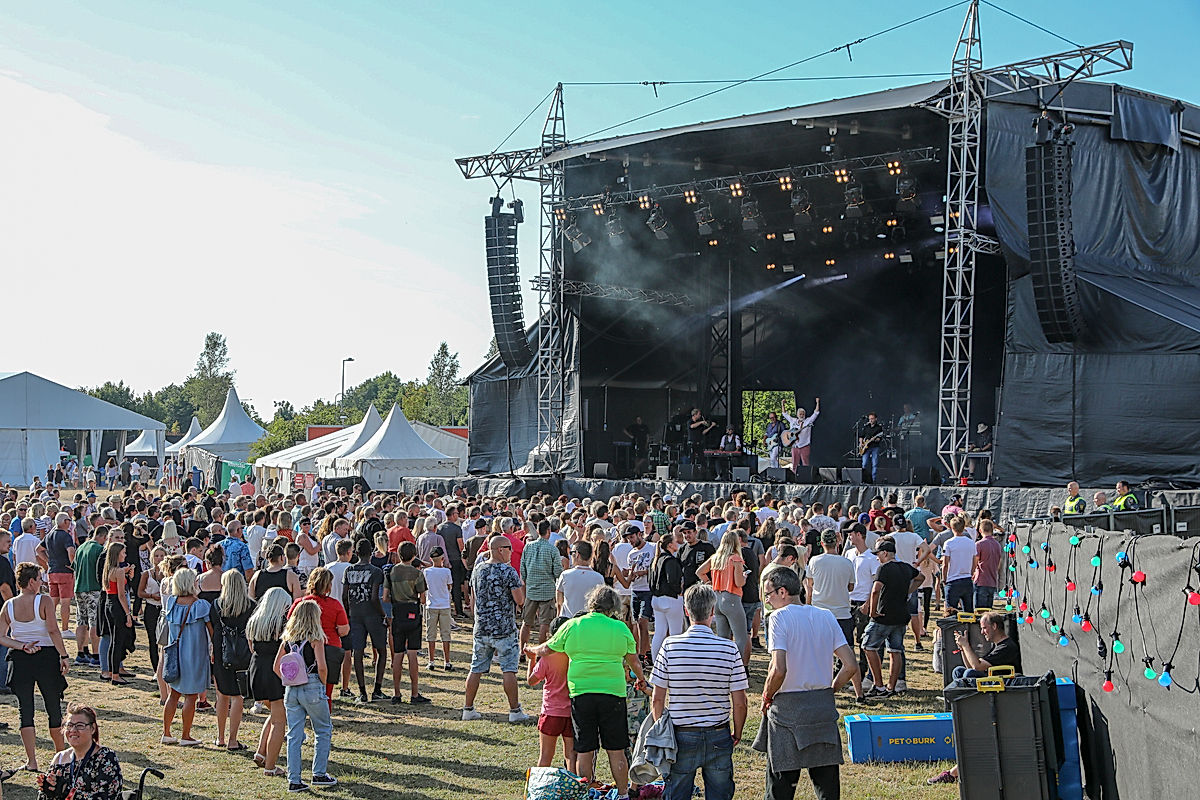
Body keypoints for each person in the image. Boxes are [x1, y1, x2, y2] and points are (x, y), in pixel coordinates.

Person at [755, 566, 857, 800]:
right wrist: (831, 690)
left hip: (788, 710)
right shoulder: (826, 615)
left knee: (780, 785)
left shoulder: (778, 617)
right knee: (827, 786)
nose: (767, 601)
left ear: (782, 592)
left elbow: (779, 669)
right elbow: (850, 665)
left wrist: (766, 696)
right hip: (821, 708)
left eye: (768, 595)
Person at [532, 585, 640, 800]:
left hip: (582, 693)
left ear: (591, 603)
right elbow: (633, 660)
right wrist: (642, 679)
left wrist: (531, 649)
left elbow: (547, 648)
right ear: (614, 607)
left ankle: (586, 792)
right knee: (616, 749)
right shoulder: (620, 628)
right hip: (613, 693)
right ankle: (623, 793)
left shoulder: (573, 625)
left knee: (585, 748)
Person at [649, 584, 748, 800]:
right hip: (718, 731)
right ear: (713, 611)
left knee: (677, 792)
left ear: (686, 610)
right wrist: (738, 732)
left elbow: (657, 699)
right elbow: (740, 702)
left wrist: (662, 730)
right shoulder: (729, 648)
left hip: (681, 732)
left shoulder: (669, 646)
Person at [927, 612, 1024, 786]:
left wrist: (966, 646)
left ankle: (953, 773)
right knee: (960, 672)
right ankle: (957, 706)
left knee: (969, 674)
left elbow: (977, 667)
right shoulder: (997, 646)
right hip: (989, 691)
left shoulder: (1006, 646)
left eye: (984, 628)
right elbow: (971, 665)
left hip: (999, 696)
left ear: (994, 626)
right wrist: (964, 648)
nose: (983, 632)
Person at [0, 562, 71, 772]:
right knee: (53, 707)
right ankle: (61, 759)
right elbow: (53, 631)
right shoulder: (44, 601)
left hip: (20, 658)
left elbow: (2, 637)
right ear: (31, 582)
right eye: (40, 579)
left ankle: (32, 761)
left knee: (26, 711)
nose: (42, 583)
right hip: (46, 656)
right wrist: (64, 655)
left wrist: (21, 645)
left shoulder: (9, 605)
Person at [462, 535, 530, 723]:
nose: (511, 552)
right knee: (509, 669)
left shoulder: (478, 570)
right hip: (504, 628)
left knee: (476, 668)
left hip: (482, 626)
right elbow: (519, 600)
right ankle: (514, 711)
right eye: (509, 548)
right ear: (500, 549)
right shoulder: (508, 572)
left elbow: (474, 597)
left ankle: (468, 708)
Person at [274, 599, 337, 792]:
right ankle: (318, 773)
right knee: (323, 729)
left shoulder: (288, 639)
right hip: (312, 685)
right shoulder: (315, 638)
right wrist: (322, 684)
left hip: (291, 689)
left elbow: (276, 667)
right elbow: (322, 667)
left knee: (294, 735)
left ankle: (294, 779)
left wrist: (289, 679)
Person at [804, 530, 864, 701]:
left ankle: (818, 687)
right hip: (842, 613)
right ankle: (859, 693)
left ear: (822, 543)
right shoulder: (846, 562)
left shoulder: (814, 561)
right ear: (837, 543)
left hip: (820, 613)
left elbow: (810, 585)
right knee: (849, 655)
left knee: (818, 654)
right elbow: (851, 587)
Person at [862, 539, 921, 698]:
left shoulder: (884, 568)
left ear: (885, 553)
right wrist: (909, 590)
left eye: (878, 554)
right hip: (901, 616)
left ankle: (878, 685)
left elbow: (875, 591)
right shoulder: (906, 567)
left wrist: (872, 611)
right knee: (895, 651)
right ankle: (891, 687)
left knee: (868, 646)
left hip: (883, 616)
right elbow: (920, 577)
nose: (877, 558)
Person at [161, 567, 212, 746]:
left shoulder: (171, 603)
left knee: (173, 694)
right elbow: (211, 632)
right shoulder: (201, 605)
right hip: (194, 655)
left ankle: (166, 732)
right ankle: (185, 735)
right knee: (191, 696)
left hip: (175, 655)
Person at [247, 587, 291, 777]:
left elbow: (251, 647)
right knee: (280, 721)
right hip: (275, 670)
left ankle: (261, 752)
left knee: (274, 714)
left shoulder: (255, 621)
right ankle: (271, 767)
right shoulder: (282, 624)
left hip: (256, 668)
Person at [34, 704, 122, 800]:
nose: (73, 730)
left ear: (92, 728)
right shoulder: (59, 759)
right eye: (69, 725)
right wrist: (47, 791)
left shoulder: (105, 757)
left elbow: (109, 797)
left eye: (80, 726)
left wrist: (67, 792)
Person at [291, 567, 350, 704]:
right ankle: (324, 719)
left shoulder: (300, 603)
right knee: (326, 691)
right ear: (328, 586)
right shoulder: (335, 605)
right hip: (329, 647)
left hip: (303, 649)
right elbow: (344, 630)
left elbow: (290, 625)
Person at [525, 616, 576, 774]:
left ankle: (539, 790)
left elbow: (531, 681)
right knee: (571, 757)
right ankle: (575, 788)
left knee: (545, 757)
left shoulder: (547, 658)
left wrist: (531, 660)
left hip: (551, 712)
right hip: (571, 712)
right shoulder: (574, 655)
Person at [212, 570, 255, 751]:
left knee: (222, 695)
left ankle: (220, 737)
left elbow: (213, 629)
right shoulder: (251, 606)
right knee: (238, 697)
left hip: (222, 653)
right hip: (244, 654)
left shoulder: (217, 605)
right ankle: (233, 739)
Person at [342, 539, 388, 703]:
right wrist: (382, 614)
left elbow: (344, 596)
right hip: (372, 615)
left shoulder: (349, 570)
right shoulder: (376, 571)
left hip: (355, 615)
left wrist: (348, 613)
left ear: (356, 553)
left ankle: (362, 692)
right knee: (382, 651)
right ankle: (377, 689)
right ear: (371, 553)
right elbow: (375, 597)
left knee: (358, 653)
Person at [695, 531, 749, 665]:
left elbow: (699, 572)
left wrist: (709, 583)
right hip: (731, 598)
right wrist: (744, 577)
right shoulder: (735, 558)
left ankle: (721, 665)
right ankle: (738, 667)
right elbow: (739, 582)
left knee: (722, 637)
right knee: (741, 637)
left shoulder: (715, 557)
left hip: (717, 598)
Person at [385, 541, 430, 704]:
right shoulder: (417, 574)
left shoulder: (391, 572)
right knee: (412, 653)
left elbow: (385, 597)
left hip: (397, 612)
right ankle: (414, 693)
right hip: (412, 611)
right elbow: (423, 599)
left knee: (397, 654)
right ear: (414, 555)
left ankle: (396, 693)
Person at [520, 519, 563, 652]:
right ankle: (540, 652)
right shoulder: (553, 549)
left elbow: (523, 569)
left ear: (538, 531)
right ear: (548, 531)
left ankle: (522, 649)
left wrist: (528, 581)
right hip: (547, 591)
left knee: (526, 623)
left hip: (532, 590)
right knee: (544, 623)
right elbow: (557, 572)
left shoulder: (528, 546)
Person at [99, 542, 134, 686]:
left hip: (108, 604)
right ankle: (115, 674)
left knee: (114, 640)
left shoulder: (109, 569)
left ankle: (112, 672)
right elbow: (121, 595)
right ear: (117, 554)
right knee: (117, 641)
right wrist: (128, 614)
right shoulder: (118, 571)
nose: (125, 555)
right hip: (117, 606)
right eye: (123, 553)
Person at [72, 525, 106, 666]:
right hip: (93, 588)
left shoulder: (81, 548)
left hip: (79, 587)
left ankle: (80, 653)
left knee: (81, 621)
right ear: (103, 537)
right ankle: (96, 655)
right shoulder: (99, 550)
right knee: (94, 622)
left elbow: (74, 566)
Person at [648, 528, 685, 663]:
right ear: (670, 545)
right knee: (676, 633)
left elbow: (650, 581)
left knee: (659, 632)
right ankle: (676, 662)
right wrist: (678, 590)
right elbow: (672, 580)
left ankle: (656, 661)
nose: (677, 543)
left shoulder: (656, 560)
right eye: (675, 541)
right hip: (671, 599)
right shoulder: (670, 560)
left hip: (657, 599)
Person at [41, 513, 76, 637]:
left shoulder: (49, 535)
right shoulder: (66, 536)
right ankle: (65, 629)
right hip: (65, 571)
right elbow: (71, 552)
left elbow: (38, 550)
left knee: (53, 601)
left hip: (53, 571)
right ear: (65, 522)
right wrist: (74, 566)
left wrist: (48, 561)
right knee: (65, 602)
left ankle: (46, 626)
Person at [422, 548, 454, 671]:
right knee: (446, 635)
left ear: (431, 559)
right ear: (442, 558)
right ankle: (447, 661)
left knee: (431, 635)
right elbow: (449, 586)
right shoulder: (446, 572)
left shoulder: (427, 571)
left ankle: (431, 661)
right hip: (444, 605)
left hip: (431, 605)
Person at [556, 541, 604, 620]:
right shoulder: (599, 578)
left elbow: (559, 600)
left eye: (571, 553)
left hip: (568, 621)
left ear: (577, 554)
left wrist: (558, 615)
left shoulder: (565, 575)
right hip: (589, 621)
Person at [941, 516, 977, 612]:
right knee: (969, 611)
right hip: (967, 579)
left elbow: (945, 564)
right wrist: (972, 573)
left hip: (953, 580)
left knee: (951, 611)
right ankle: (968, 627)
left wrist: (944, 579)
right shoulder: (971, 543)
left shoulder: (948, 543)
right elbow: (974, 561)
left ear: (952, 528)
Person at [782, 397, 820, 468]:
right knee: (794, 464)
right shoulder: (793, 421)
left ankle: (806, 478)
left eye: (803, 414)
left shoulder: (808, 421)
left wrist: (817, 403)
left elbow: (816, 413)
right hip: (795, 446)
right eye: (800, 414)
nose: (802, 416)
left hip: (804, 446)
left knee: (805, 464)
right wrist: (783, 404)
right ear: (797, 415)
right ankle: (794, 477)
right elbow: (785, 414)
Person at [972, 520, 1003, 610]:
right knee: (988, 611)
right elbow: (999, 563)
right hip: (992, 581)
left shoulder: (979, 544)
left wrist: (971, 573)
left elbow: (975, 562)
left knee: (979, 611)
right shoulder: (997, 545)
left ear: (980, 530)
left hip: (981, 580)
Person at [858, 413, 884, 483]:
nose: (871, 420)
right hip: (865, 448)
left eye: (872, 419)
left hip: (875, 447)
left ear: (876, 419)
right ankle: (864, 480)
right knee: (864, 463)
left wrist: (874, 439)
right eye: (870, 419)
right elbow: (861, 436)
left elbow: (879, 438)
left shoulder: (879, 428)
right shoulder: (866, 427)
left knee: (874, 463)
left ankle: (873, 480)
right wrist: (861, 443)